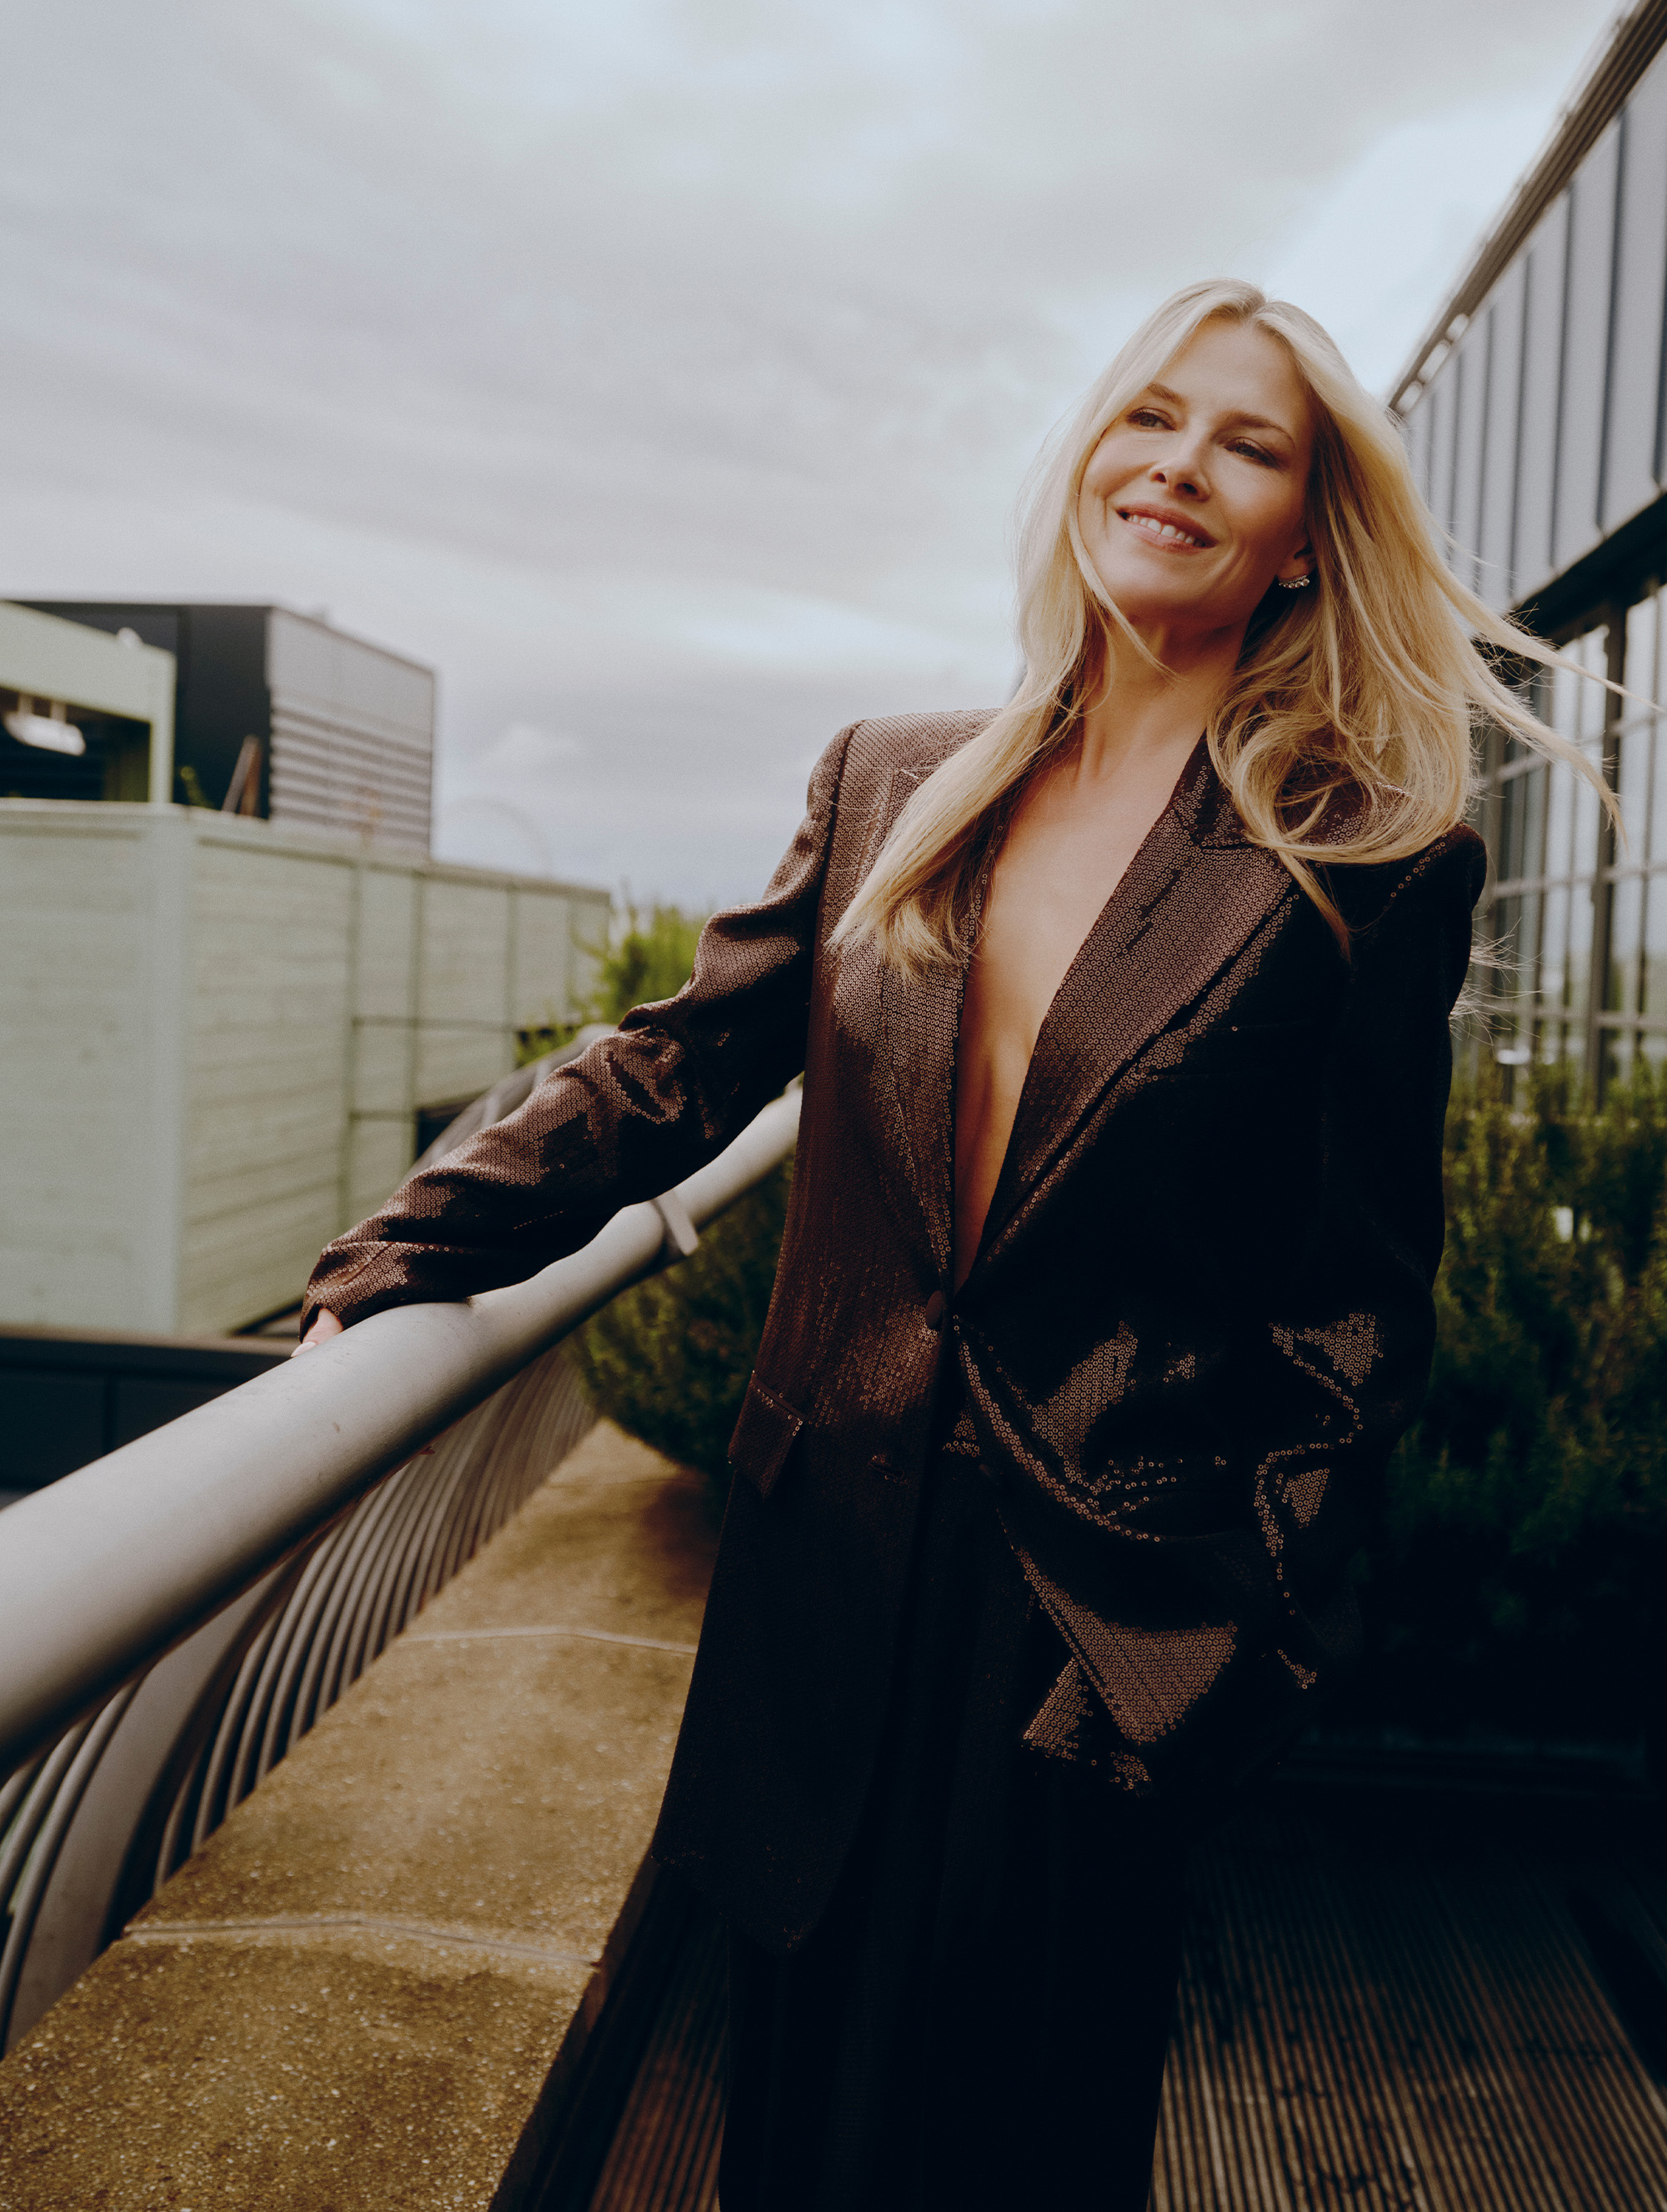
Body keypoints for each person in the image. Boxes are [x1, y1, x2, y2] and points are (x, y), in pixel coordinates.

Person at [297, 279, 1602, 2209]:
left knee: (1016, 2156)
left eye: (1247, 442)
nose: (1178, 464)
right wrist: (402, 1245)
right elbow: (677, 1066)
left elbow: (1352, 1316)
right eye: (1150, 416)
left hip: (1088, 1636)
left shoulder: (1363, 854)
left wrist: (1213, 1681)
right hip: (819, 1597)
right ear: (1087, 453)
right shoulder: (896, 780)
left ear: (1306, 532)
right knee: (792, 2146)